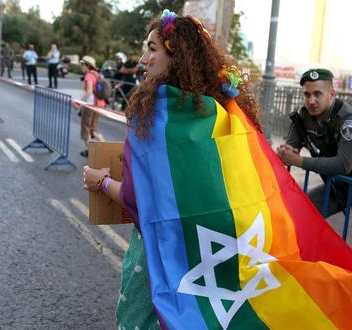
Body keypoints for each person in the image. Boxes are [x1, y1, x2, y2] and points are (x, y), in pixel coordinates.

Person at [82, 11, 259, 328]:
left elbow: (141, 201)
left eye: (152, 49)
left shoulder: (156, 116)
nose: (143, 58)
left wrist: (101, 181)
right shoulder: (224, 112)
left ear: (176, 57)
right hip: (212, 258)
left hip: (161, 256)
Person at [276, 68, 352, 255]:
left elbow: (342, 165)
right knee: (298, 214)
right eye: (307, 94)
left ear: (331, 94)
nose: (311, 100)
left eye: (317, 94)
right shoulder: (303, 116)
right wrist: (286, 150)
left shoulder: (349, 117)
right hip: (339, 186)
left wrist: (298, 161)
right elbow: (291, 147)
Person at [74, 55, 105, 157]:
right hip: (99, 104)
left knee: (86, 129)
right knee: (94, 129)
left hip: (90, 105)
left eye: (82, 65)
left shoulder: (89, 76)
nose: (80, 67)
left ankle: (91, 153)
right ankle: (106, 148)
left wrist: (79, 103)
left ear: (87, 65)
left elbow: (89, 91)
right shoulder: (97, 74)